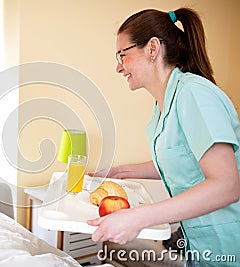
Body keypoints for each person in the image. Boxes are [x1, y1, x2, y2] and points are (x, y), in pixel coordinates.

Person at [87, 8, 240, 266]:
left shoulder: (194, 94)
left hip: (228, 243)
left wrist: (138, 218)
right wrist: (120, 172)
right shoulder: (164, 103)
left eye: (122, 55)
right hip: (200, 247)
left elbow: (227, 186)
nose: (118, 67)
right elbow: (182, 160)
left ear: (152, 48)